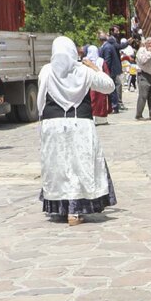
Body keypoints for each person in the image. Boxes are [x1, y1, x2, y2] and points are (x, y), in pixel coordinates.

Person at [37, 36, 117, 226]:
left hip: (53, 124)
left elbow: (41, 98)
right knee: (79, 165)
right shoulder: (83, 71)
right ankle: (75, 211)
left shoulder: (46, 70)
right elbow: (109, 86)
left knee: (58, 166)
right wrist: (94, 68)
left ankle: (62, 207)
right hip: (80, 123)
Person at [84, 46, 111, 124]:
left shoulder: (85, 60)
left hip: (89, 84)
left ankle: (92, 117)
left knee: (91, 101)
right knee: (100, 102)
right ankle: (101, 119)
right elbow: (106, 72)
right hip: (100, 83)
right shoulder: (101, 61)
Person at [134, 37, 151, 121]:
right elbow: (142, 61)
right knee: (143, 96)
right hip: (144, 75)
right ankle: (139, 115)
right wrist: (149, 53)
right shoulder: (142, 51)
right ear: (145, 44)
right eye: (149, 43)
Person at [99, 31, 123, 113]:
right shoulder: (107, 46)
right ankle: (112, 106)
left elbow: (107, 61)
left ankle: (114, 106)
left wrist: (105, 71)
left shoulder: (107, 47)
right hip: (111, 70)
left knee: (111, 88)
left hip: (110, 71)